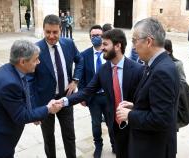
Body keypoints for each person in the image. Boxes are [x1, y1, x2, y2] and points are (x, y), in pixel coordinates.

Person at [0, 40, 63, 158]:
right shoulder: (9, 83)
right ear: (22, 61)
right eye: (35, 59)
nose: (38, 62)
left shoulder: (12, 71)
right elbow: (21, 117)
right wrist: (48, 109)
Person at [61, 29, 144, 158]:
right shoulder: (104, 70)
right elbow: (87, 91)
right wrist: (64, 101)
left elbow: (144, 101)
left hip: (135, 124)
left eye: (105, 44)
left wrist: (133, 110)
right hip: (115, 123)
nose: (101, 48)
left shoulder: (138, 70)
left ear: (117, 46)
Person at [116, 18, 180, 158]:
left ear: (149, 41)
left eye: (134, 40)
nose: (133, 47)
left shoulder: (162, 71)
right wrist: (135, 106)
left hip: (153, 149)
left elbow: (161, 119)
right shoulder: (157, 64)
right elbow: (157, 104)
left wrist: (130, 115)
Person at [32, 14, 83, 158]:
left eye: (55, 32)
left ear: (61, 29)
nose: (51, 36)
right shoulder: (35, 49)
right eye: (48, 32)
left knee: (69, 135)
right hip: (45, 102)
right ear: (43, 30)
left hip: (66, 98)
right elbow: (30, 80)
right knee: (48, 139)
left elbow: (80, 61)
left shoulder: (69, 44)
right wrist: (34, 108)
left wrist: (75, 80)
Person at [78, 25, 115, 157]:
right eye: (93, 36)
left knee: (112, 122)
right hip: (93, 98)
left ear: (104, 36)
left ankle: (114, 144)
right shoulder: (84, 55)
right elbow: (81, 77)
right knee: (96, 124)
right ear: (90, 37)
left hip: (108, 96)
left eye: (99, 35)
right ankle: (98, 145)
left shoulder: (110, 53)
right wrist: (82, 95)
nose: (96, 38)